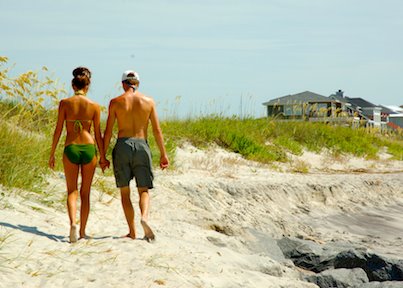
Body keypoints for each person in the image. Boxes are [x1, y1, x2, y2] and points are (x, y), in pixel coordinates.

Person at [103, 70, 169, 241]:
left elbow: (108, 131)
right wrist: (163, 154)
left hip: (123, 145)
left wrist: (103, 155)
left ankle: (132, 231)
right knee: (144, 189)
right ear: (137, 83)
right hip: (142, 145)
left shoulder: (115, 102)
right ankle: (144, 218)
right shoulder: (149, 101)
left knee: (125, 192)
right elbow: (156, 130)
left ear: (123, 83)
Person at [49, 67, 108, 243]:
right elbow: (98, 135)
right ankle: (82, 231)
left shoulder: (65, 103)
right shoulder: (95, 106)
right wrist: (103, 157)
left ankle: (72, 224)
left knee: (72, 191)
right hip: (89, 149)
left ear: (73, 85)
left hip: (71, 147)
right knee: (86, 193)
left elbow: (58, 130)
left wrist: (52, 153)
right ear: (88, 86)